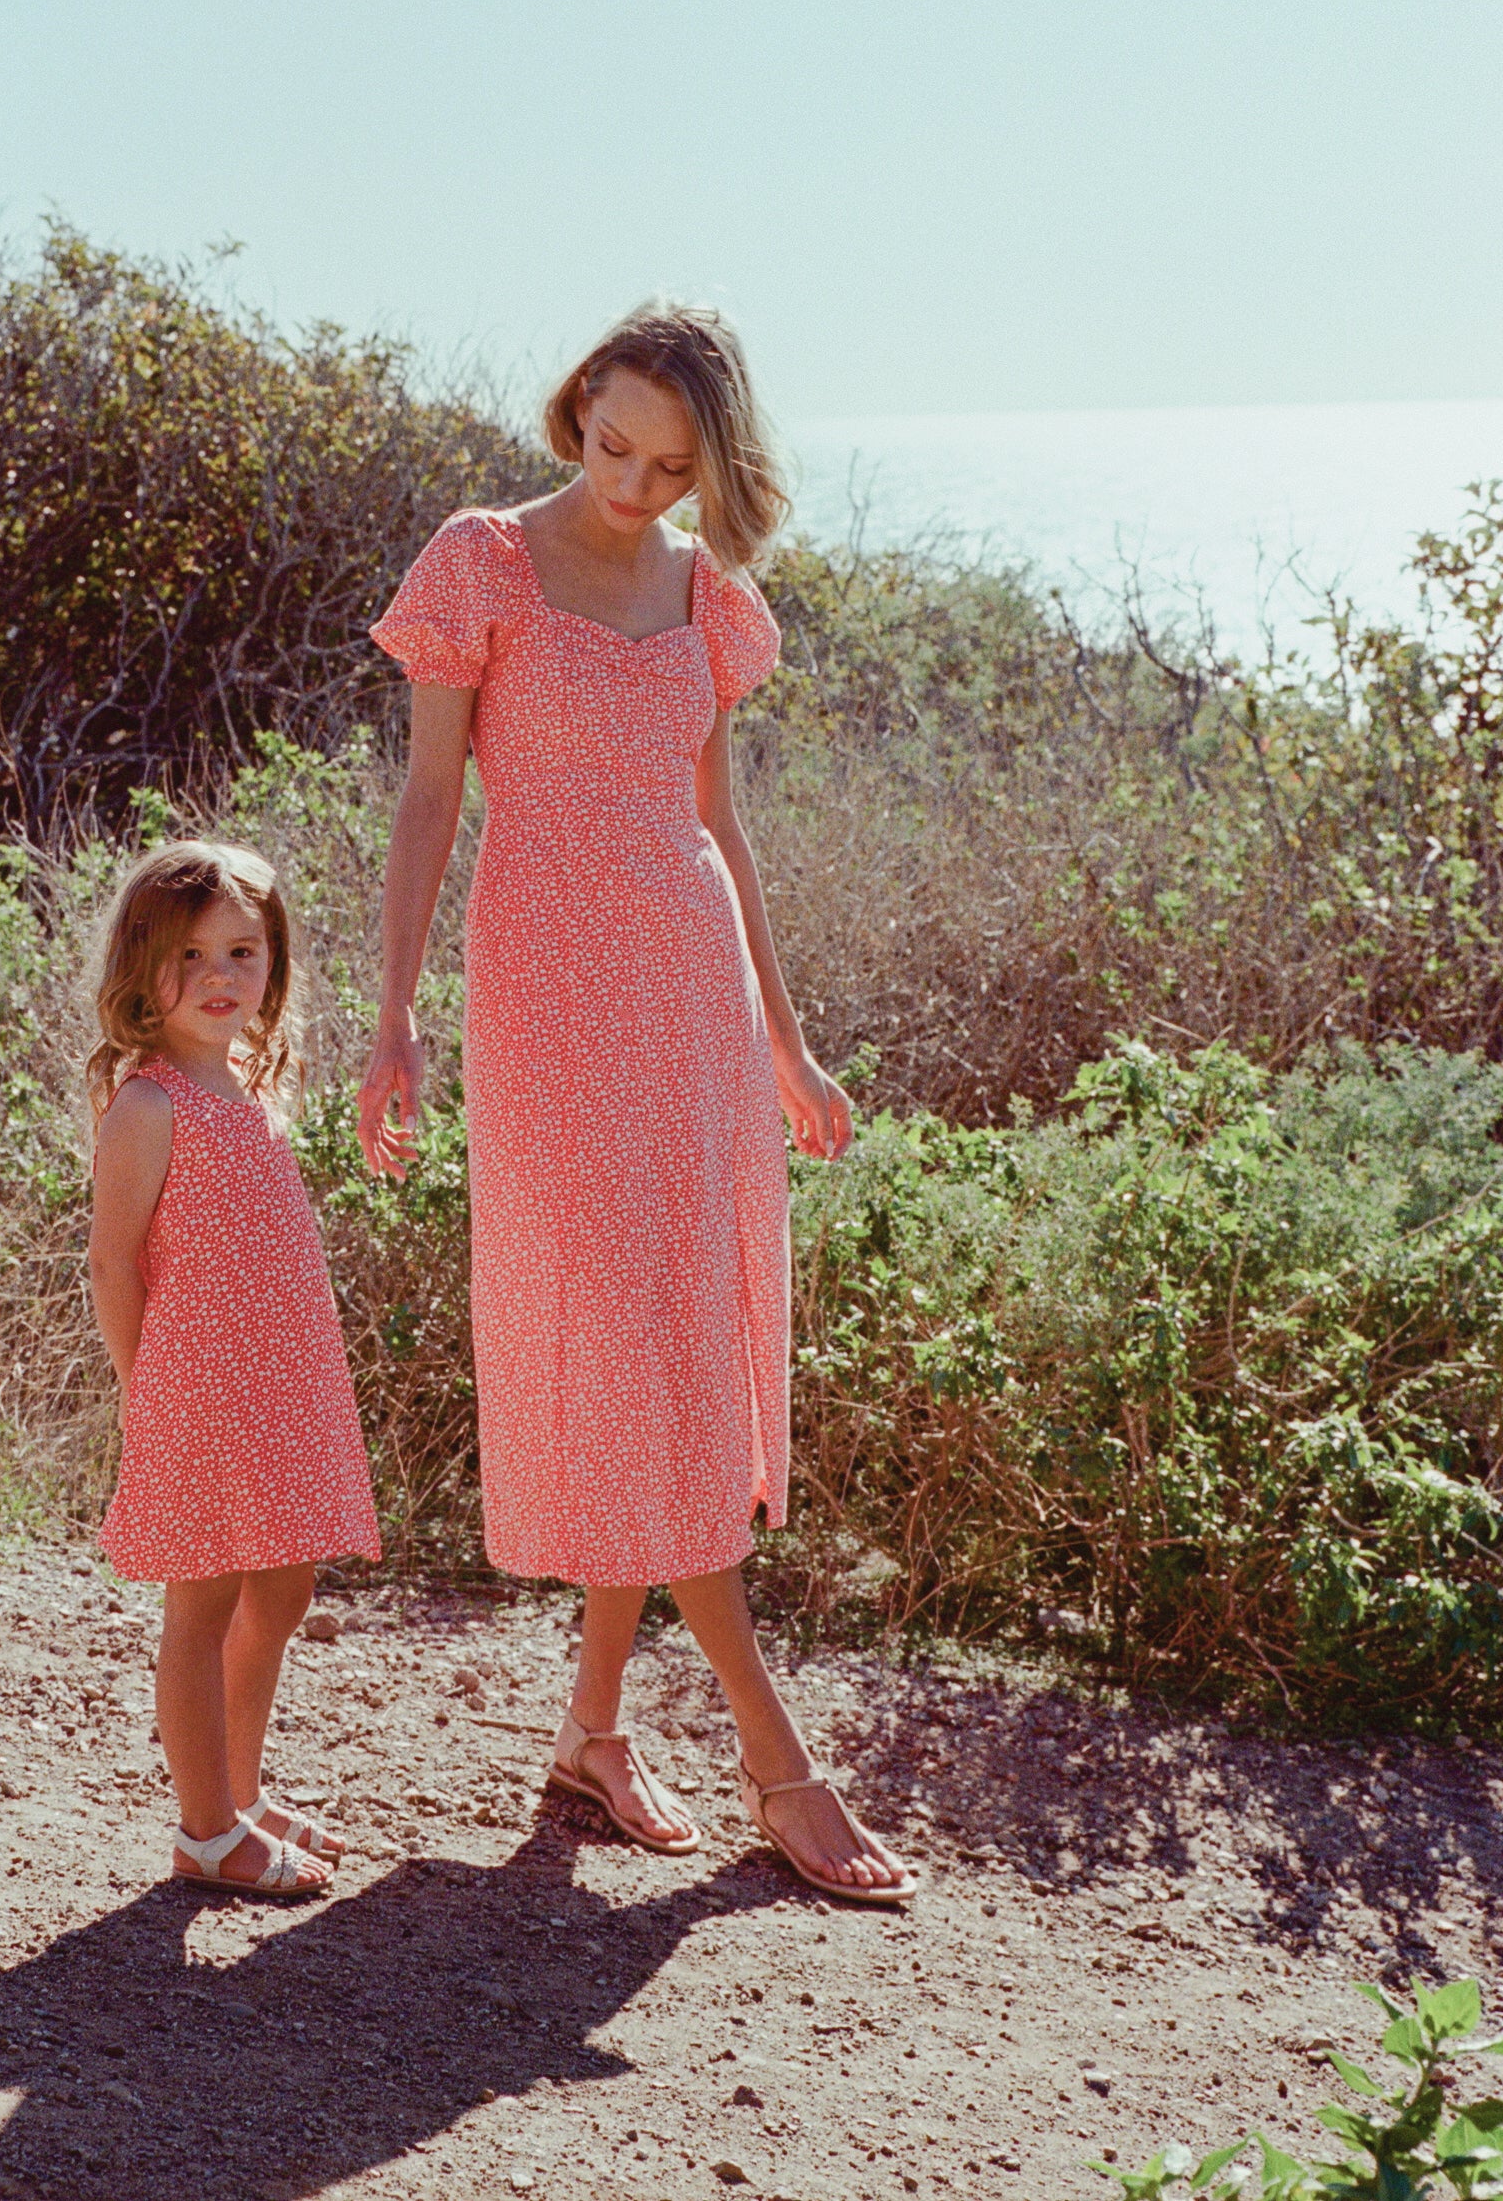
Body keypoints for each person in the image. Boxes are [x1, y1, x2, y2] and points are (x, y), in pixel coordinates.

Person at [358, 307, 914, 1905]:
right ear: (573, 407)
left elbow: (718, 832)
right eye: (611, 444)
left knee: (669, 1342)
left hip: (693, 1009)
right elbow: (423, 803)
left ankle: (593, 1733)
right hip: (544, 1004)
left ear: (709, 466)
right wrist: (391, 1020)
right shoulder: (477, 562)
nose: (631, 482)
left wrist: (790, 1045)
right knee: (636, 1345)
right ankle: (774, 1756)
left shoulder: (708, 596)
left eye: (671, 465)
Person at [88, 838, 379, 1900]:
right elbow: (114, 1262)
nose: (219, 976)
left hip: (281, 1385)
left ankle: (239, 1791)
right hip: (197, 1390)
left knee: (286, 1584)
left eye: (242, 952)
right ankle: (205, 1828)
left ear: (273, 965)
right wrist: (142, 1385)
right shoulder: (149, 1104)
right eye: (190, 954)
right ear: (142, 968)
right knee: (201, 1603)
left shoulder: (251, 1086)